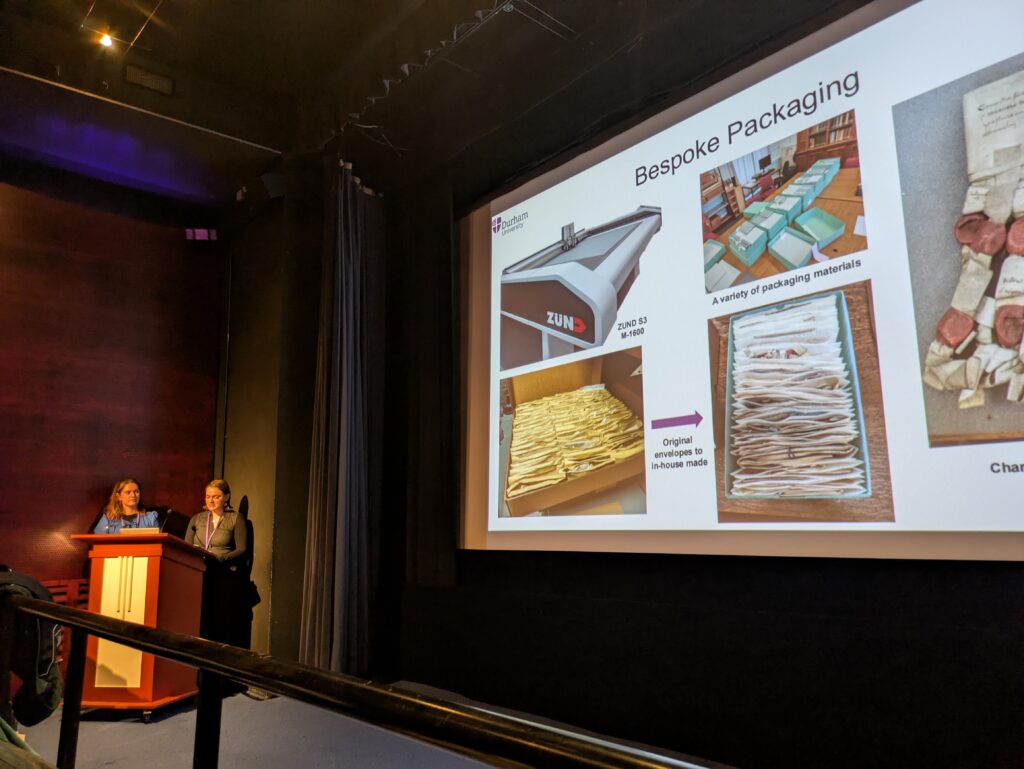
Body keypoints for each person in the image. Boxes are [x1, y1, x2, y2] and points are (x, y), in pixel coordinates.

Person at [185, 480, 250, 648]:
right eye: (208, 496)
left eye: (216, 496)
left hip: (223, 576)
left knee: (220, 622)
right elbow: (186, 546)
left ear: (226, 497)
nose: (211, 500)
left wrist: (222, 558)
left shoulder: (236, 518)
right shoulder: (197, 519)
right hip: (200, 574)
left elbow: (242, 549)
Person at [93, 478, 160, 533]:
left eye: (136, 491)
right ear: (119, 497)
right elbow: (97, 543)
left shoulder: (151, 518)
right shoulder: (108, 519)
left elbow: (159, 543)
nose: (133, 495)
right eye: (128, 492)